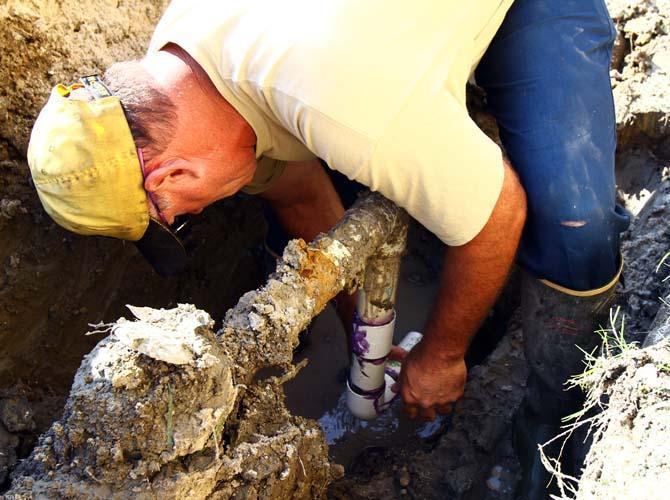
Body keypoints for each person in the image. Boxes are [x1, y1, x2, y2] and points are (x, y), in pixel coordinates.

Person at [27, 0, 628, 496]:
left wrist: (442, 357)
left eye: (175, 217)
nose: (191, 217)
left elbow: (498, 216)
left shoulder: (338, 102)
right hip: (391, 47)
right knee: (351, 164)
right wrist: (368, 341)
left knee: (575, 227)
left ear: (167, 180)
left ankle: (557, 422)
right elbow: (299, 198)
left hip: (525, 12)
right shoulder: (183, 74)